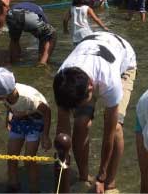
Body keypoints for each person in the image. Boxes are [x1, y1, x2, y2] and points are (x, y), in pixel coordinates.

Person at [53, 32, 137, 193]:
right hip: (91, 49)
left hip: (124, 62)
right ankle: (83, 177)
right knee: (80, 122)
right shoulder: (62, 80)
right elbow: (63, 127)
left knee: (116, 127)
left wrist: (101, 177)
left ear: (91, 88)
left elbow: (108, 134)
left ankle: (110, 183)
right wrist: (62, 163)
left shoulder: (110, 82)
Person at [0, 67, 52, 192]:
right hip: (18, 118)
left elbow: (47, 112)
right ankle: (13, 185)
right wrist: (8, 116)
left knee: (28, 160)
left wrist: (45, 136)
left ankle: (34, 190)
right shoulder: (6, 94)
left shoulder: (28, 98)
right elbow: (9, 105)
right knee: (12, 156)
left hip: (36, 120)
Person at [6, 1, 57, 66]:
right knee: (52, 34)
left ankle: (14, 62)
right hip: (28, 15)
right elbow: (46, 35)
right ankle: (42, 63)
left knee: (14, 40)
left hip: (11, 14)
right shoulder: (40, 11)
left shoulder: (27, 5)